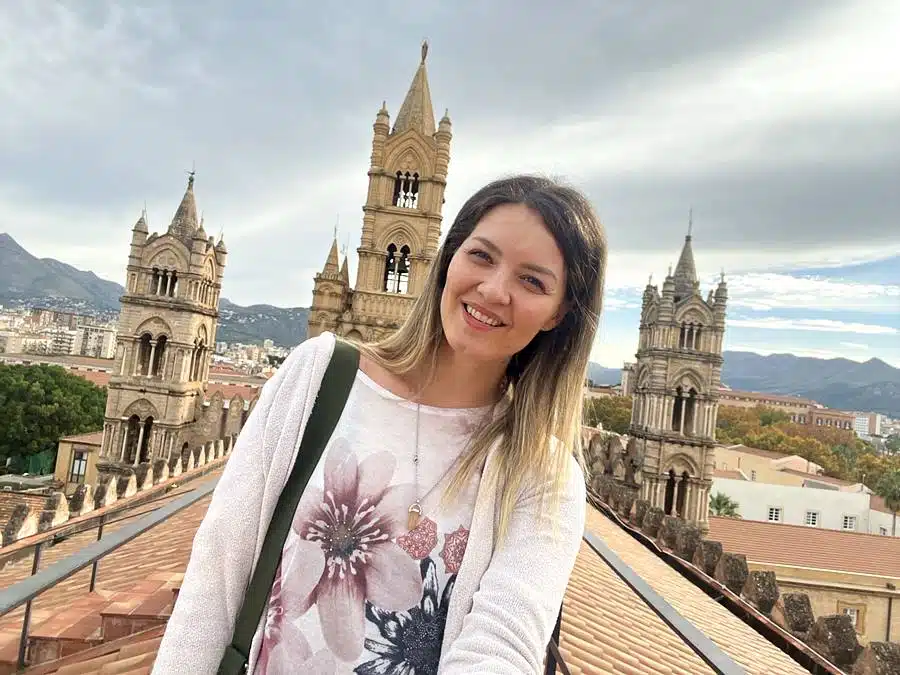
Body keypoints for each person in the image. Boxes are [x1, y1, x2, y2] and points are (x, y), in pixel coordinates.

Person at [153, 174, 607, 674]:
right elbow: (215, 581)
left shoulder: (545, 476)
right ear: (447, 259)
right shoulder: (320, 374)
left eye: (532, 281)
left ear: (558, 313)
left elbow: (502, 649)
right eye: (481, 255)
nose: (494, 290)